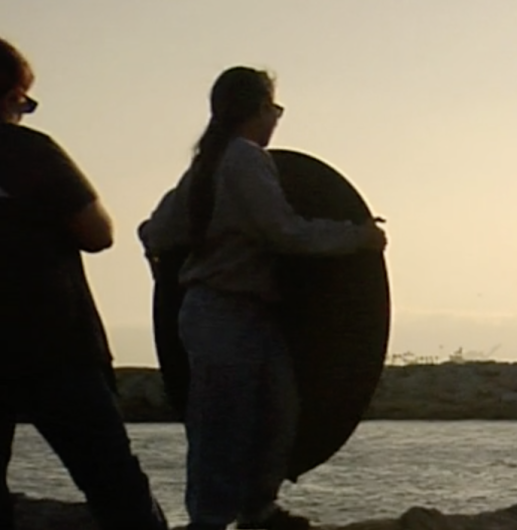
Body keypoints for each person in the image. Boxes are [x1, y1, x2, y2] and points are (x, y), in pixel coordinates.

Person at [139, 66, 385, 530]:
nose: (276, 119)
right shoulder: (243, 159)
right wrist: (358, 238)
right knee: (222, 423)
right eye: (274, 109)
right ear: (257, 110)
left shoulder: (207, 165)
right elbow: (284, 232)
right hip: (224, 311)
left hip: (236, 312)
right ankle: (210, 519)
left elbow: (154, 232)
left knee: (275, 411)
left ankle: (257, 510)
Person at [0, 37, 171, 530]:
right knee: (115, 484)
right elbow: (98, 234)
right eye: (24, 102)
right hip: (54, 344)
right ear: (11, 95)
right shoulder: (29, 151)